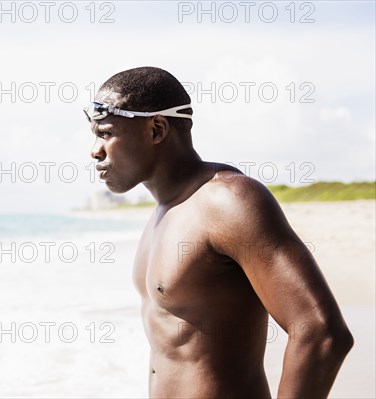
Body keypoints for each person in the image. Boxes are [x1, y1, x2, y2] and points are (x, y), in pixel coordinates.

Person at [84, 66, 354, 398]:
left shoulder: (229, 201)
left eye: (106, 133)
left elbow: (320, 332)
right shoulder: (162, 214)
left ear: (156, 129)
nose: (94, 150)